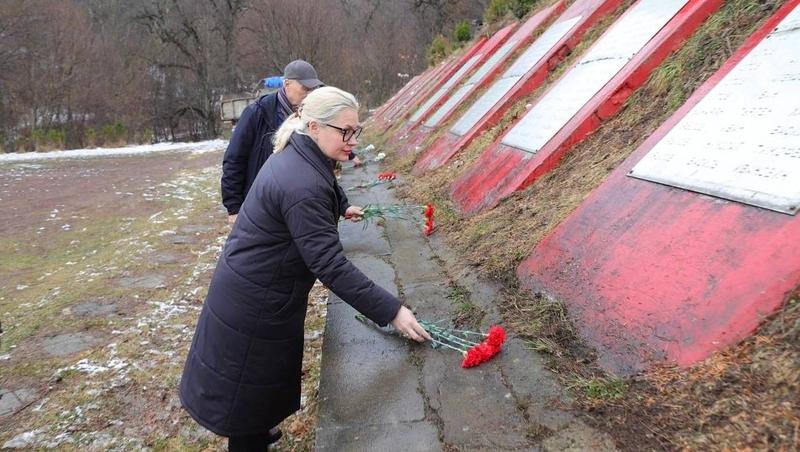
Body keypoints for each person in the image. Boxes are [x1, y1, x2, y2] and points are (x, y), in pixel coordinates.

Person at [180, 86, 431, 451]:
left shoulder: (299, 154)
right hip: (255, 302)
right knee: (245, 392)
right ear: (314, 127)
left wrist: (341, 205)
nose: (353, 140)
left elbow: (323, 182)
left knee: (253, 387)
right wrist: (392, 311)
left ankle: (257, 429)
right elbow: (330, 265)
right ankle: (250, 438)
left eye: (356, 130)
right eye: (345, 131)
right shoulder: (302, 182)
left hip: (252, 287)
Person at [221, 59, 322, 225]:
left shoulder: (311, 116)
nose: (309, 94)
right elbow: (234, 160)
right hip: (261, 204)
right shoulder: (257, 113)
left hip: (297, 204)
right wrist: (234, 208)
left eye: (313, 89)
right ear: (287, 84)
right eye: (305, 88)